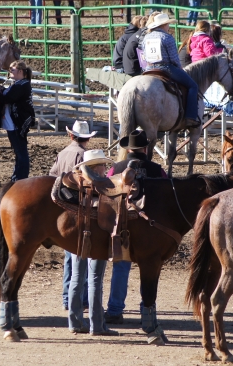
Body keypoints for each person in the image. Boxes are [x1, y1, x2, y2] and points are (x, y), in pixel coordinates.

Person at [103, 128, 167, 324]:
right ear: (145, 149)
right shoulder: (157, 170)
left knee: (121, 266)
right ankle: (146, 310)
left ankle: (114, 309)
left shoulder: (117, 168)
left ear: (128, 149)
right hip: (151, 228)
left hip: (124, 224)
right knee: (149, 270)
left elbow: (107, 191)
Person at [67, 149, 119, 337]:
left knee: (76, 277)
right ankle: (96, 325)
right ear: (96, 167)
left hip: (76, 236)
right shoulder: (105, 186)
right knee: (95, 280)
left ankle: (75, 322)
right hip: (96, 238)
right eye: (103, 165)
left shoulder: (75, 185)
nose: (105, 169)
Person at [50, 120, 98, 311]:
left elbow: (52, 176)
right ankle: (80, 299)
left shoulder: (62, 153)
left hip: (62, 207)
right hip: (78, 208)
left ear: (71, 135)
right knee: (81, 256)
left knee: (69, 258)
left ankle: (66, 298)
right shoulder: (83, 155)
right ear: (86, 138)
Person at [140, 12, 201, 129]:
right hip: (166, 68)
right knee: (193, 86)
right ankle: (190, 117)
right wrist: (181, 69)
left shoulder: (146, 37)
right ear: (163, 25)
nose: (169, 26)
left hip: (149, 68)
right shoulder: (167, 37)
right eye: (168, 24)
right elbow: (174, 60)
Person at [0, 60, 36, 181]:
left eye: (12, 69)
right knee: (19, 151)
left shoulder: (21, 85)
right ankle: (18, 176)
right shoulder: (19, 84)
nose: (9, 72)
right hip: (14, 122)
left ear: (20, 71)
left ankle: (21, 177)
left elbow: (7, 97)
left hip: (17, 123)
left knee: (21, 152)